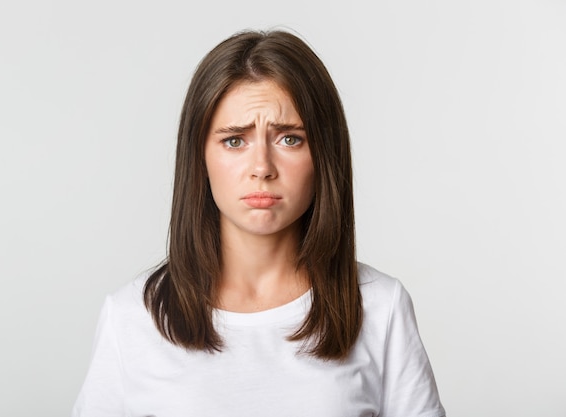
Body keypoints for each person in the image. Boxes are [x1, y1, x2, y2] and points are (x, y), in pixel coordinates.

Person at [72, 29, 446, 417]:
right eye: (235, 141)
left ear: (324, 155)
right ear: (199, 157)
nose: (262, 168)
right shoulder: (133, 316)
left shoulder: (380, 306)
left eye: (290, 139)